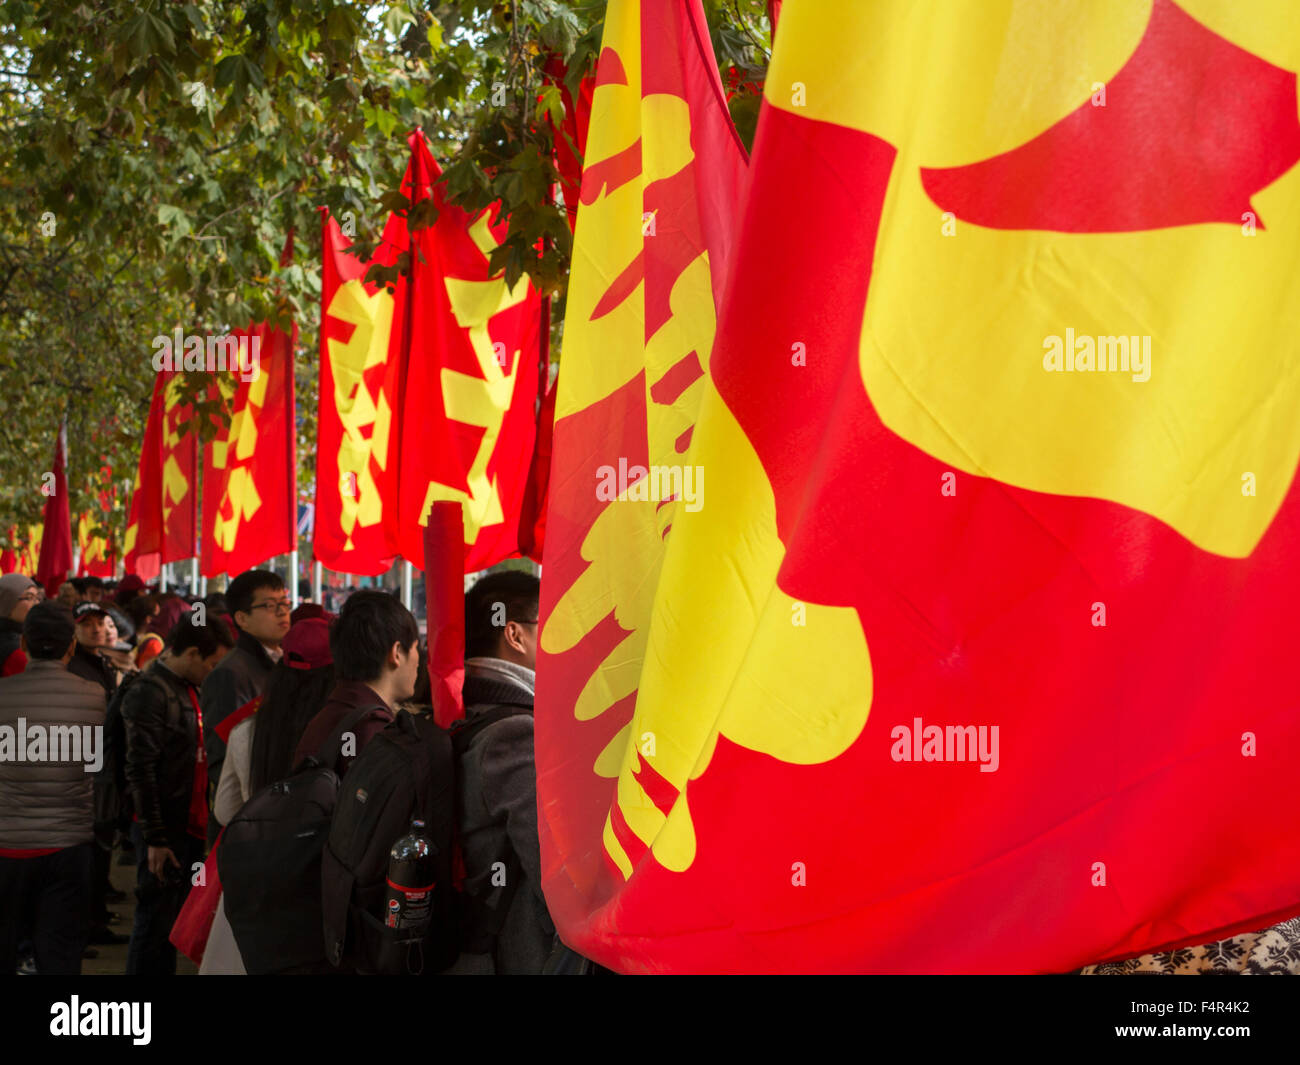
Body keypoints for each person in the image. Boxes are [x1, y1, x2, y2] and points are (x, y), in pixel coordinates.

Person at [202, 618, 337, 976]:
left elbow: (226, 810)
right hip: (321, 893)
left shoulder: (246, 732)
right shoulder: (345, 735)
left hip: (256, 892)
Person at [452, 570, 555, 975]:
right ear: (514, 634)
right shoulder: (514, 733)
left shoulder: (462, 707)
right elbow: (553, 873)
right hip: (510, 956)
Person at [121, 616, 234, 975]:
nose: (213, 672)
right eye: (211, 664)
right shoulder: (150, 692)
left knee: (169, 922)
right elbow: (141, 769)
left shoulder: (188, 687)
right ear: (190, 653)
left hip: (186, 825)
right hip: (163, 829)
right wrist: (154, 837)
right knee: (154, 923)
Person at [0, 602, 105, 974]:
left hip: (8, 845)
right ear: (71, 646)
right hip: (69, 846)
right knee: (60, 952)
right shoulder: (93, 695)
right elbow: (93, 765)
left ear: (23, 643)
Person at [200, 570, 289, 847]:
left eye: (285, 603)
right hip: (246, 820)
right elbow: (222, 756)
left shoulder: (283, 662)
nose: (282, 612)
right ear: (242, 618)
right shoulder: (231, 674)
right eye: (269, 606)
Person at [292, 590, 419, 777]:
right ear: (397, 653)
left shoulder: (334, 713)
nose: (420, 660)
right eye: (417, 648)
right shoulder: (370, 728)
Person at [0, 574, 41, 678]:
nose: (36, 603)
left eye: (37, 598)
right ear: (7, 602)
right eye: (29, 597)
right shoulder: (16, 652)